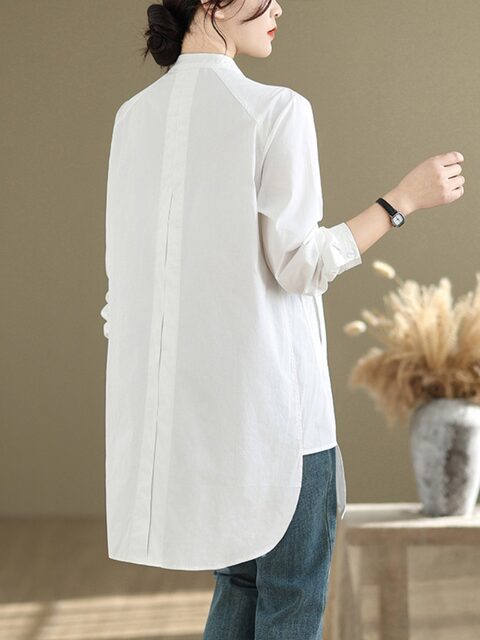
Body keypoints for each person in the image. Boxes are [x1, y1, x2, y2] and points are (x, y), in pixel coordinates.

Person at [100, 0, 465, 637]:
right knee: (290, 599)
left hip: (197, 426)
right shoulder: (275, 111)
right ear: (213, 4)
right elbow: (300, 265)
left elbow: (124, 290)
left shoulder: (133, 117)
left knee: (238, 585)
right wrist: (401, 201)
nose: (279, 8)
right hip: (278, 419)